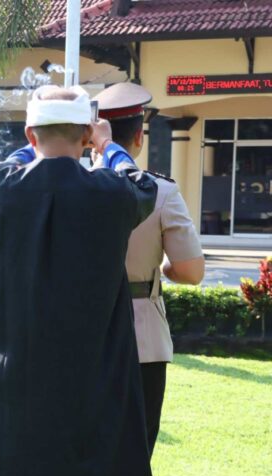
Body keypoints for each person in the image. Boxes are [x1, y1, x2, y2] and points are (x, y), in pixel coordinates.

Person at [0, 85, 159, 476]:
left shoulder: (0, 188)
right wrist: (107, 145)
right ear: (86, 135)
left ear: (31, 136)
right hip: (90, 379)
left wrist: (34, 146)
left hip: (15, 374)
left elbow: (0, 168)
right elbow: (139, 181)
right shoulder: (111, 191)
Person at [94, 82, 205, 455]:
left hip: (81, 335)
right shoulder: (160, 191)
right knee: (134, 456)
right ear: (139, 135)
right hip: (142, 339)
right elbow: (191, 271)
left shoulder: (69, 186)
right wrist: (163, 270)